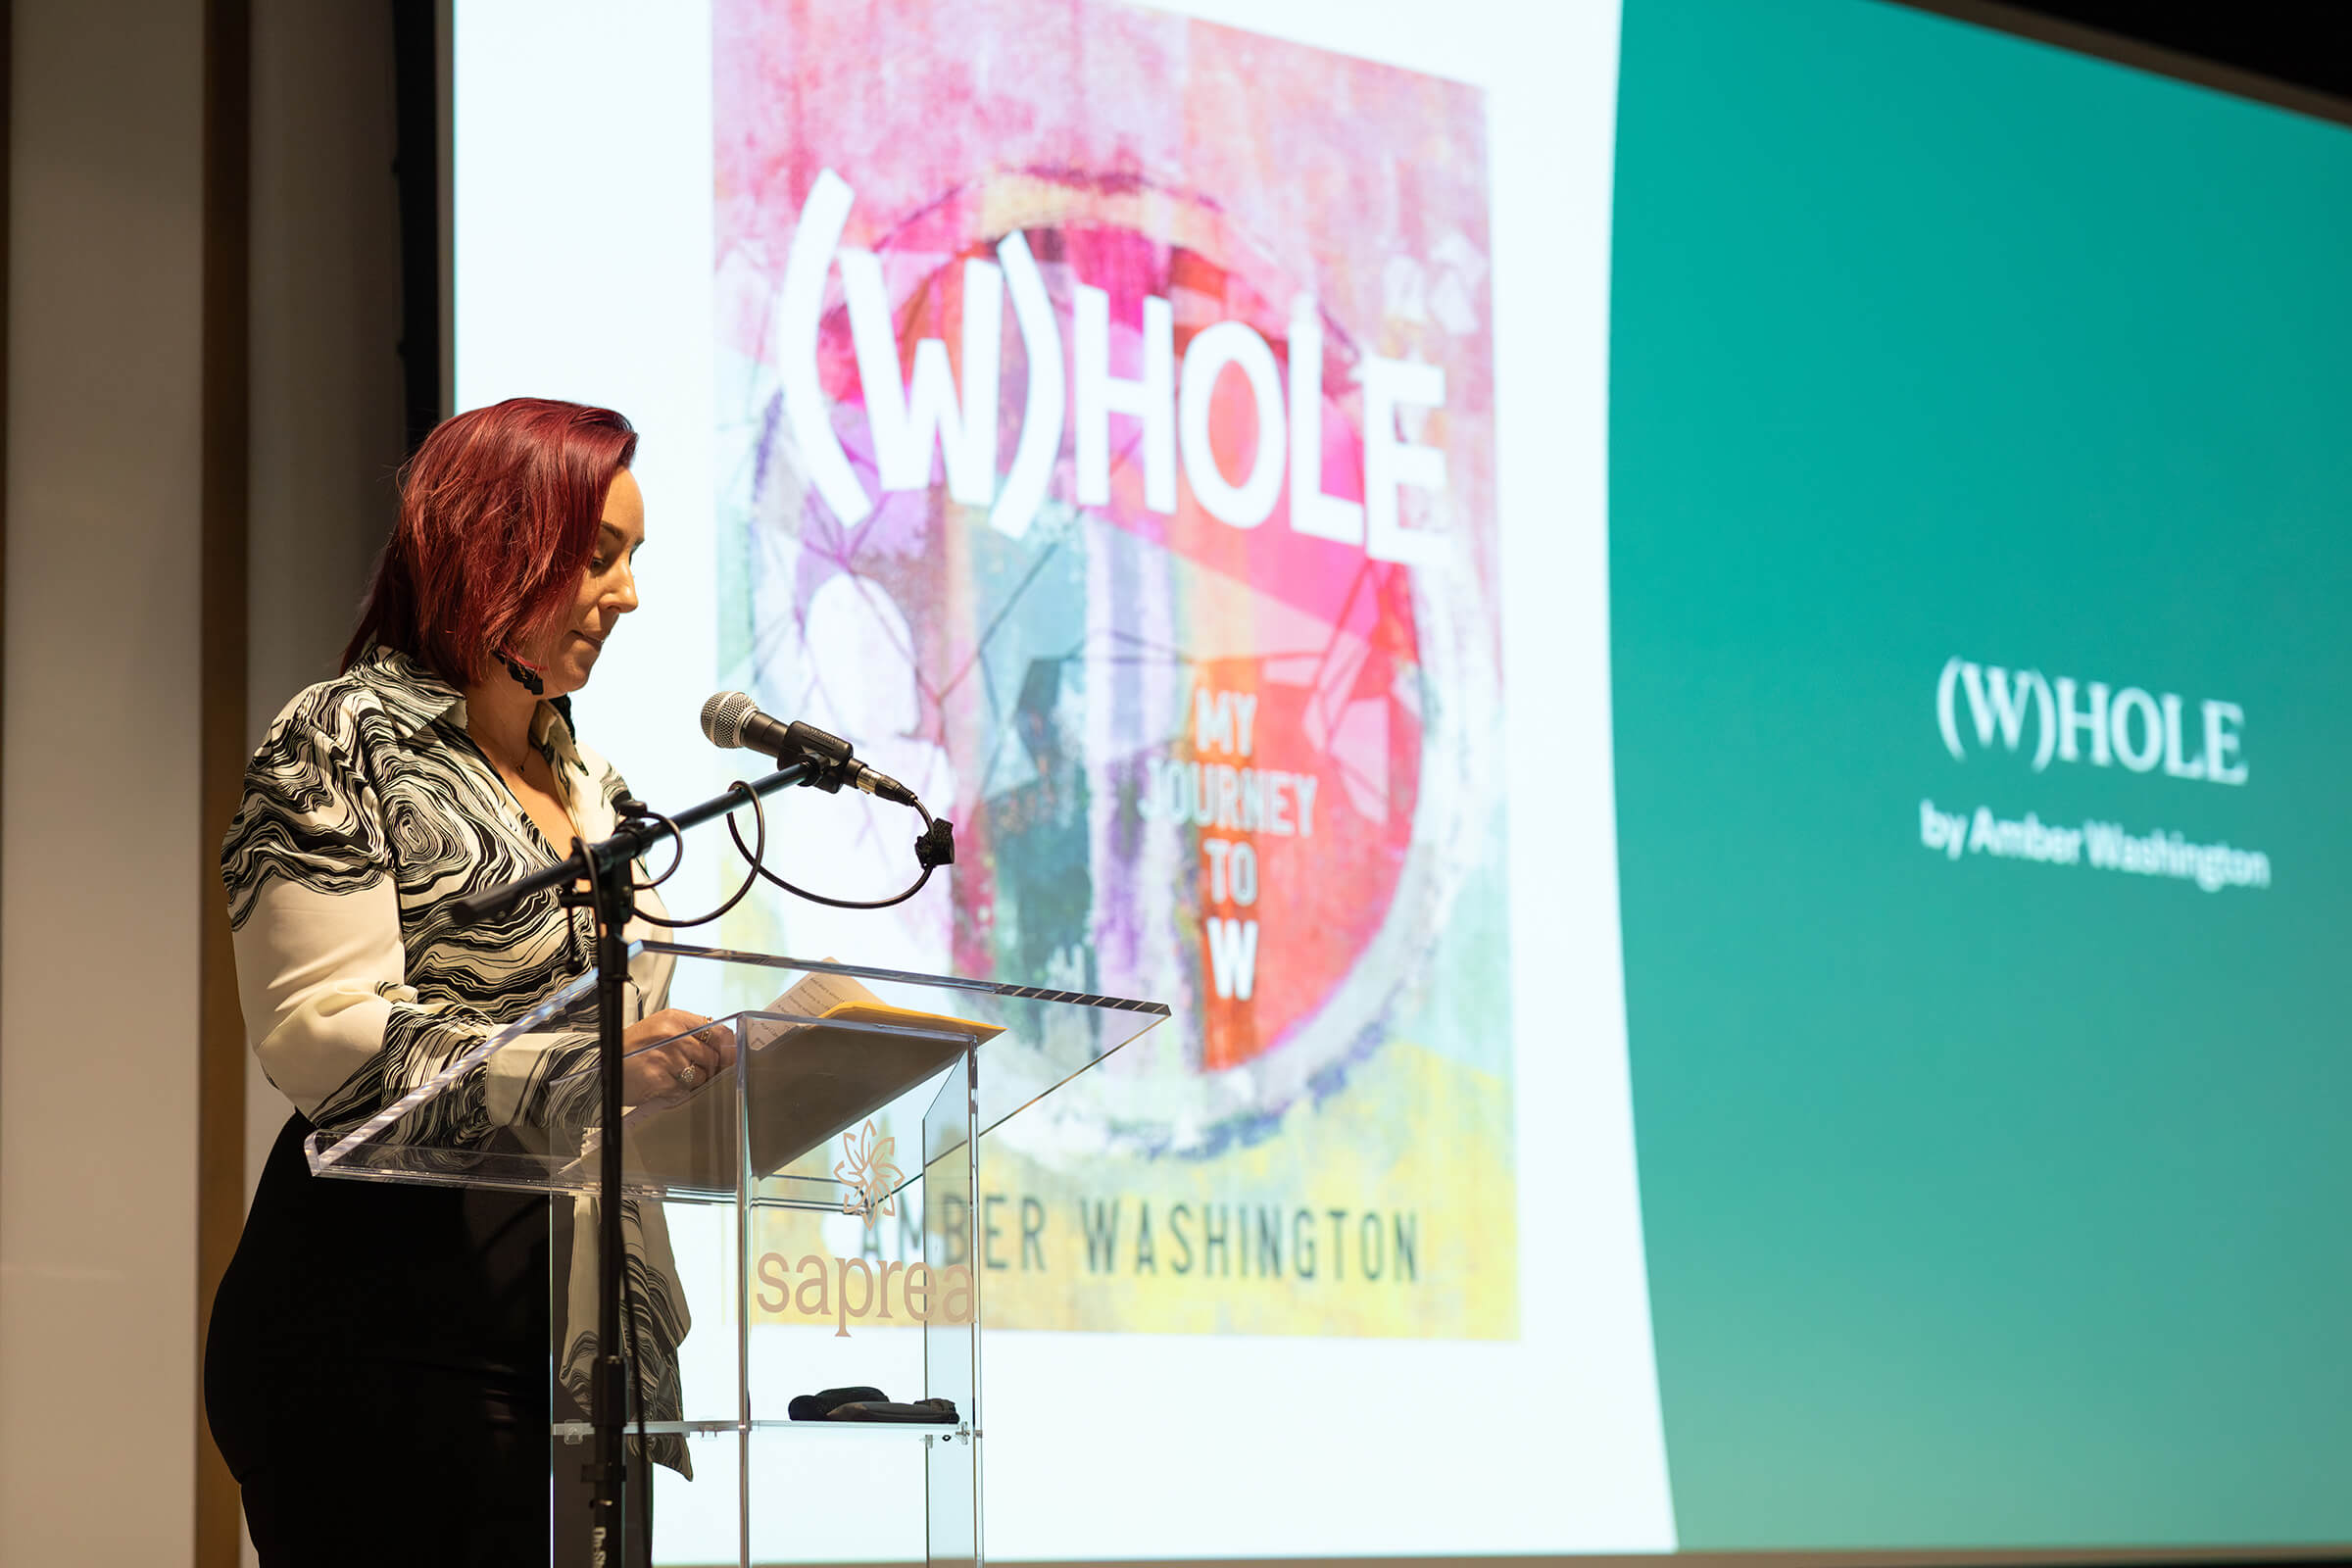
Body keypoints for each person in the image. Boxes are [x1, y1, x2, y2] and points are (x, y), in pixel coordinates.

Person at [204, 399, 732, 1565]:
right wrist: (580, 1063)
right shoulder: (339, 738)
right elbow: (322, 1035)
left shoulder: (597, 784)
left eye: (634, 559)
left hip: (575, 1332)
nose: (630, 595)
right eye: (600, 556)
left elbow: (620, 1061)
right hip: (381, 1319)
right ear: (498, 541)